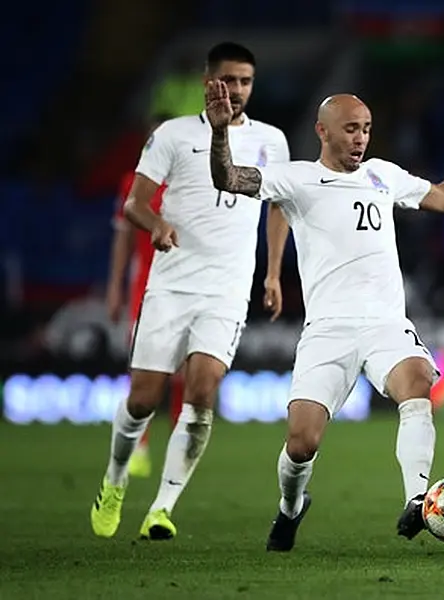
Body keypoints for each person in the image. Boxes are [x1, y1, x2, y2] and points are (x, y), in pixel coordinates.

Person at [204, 80, 444, 551]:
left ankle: (418, 499)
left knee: (416, 384)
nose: (360, 139)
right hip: (327, 331)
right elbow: (228, 178)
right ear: (322, 131)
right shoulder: (297, 179)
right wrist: (220, 133)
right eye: (351, 129)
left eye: (366, 129)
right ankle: (291, 506)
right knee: (301, 443)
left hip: (386, 324)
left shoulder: (381, 175)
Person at [90, 42, 292, 541]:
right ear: (208, 82)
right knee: (142, 399)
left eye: (245, 81)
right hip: (171, 285)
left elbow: (278, 206)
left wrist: (271, 274)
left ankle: (162, 507)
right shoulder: (172, 135)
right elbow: (134, 204)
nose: (237, 90)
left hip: (226, 291)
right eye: (228, 80)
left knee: (202, 392)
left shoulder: (271, 141)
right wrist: (156, 222)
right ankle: (114, 479)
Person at [105, 116, 182, 479]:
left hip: (186, 288)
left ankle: (178, 447)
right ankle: (140, 444)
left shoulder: (189, 183)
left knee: (183, 373)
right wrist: (114, 287)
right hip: (145, 291)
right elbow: (122, 238)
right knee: (143, 373)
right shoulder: (133, 186)